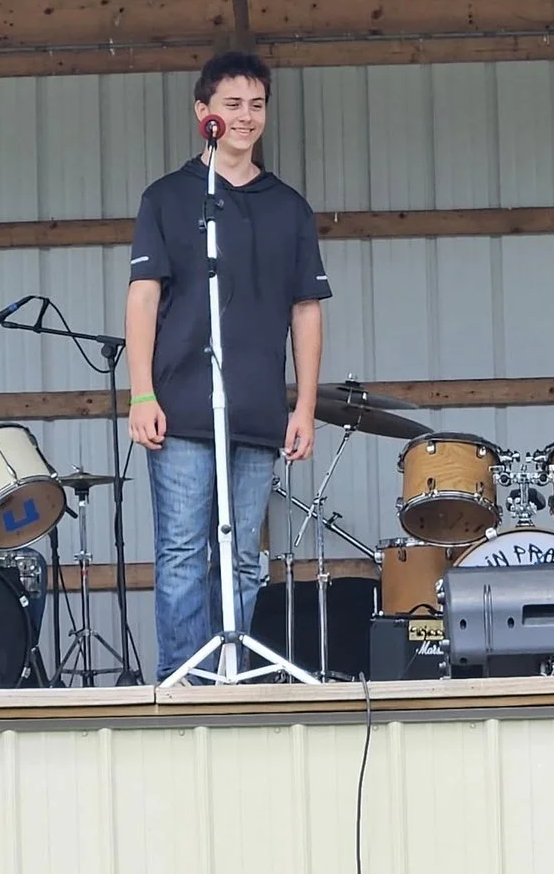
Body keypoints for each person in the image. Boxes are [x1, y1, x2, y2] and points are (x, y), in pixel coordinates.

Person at [127, 50, 331, 681]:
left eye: (256, 105)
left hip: (256, 407)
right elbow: (144, 295)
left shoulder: (288, 206)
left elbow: (307, 308)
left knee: (243, 556)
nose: (246, 117)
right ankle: (183, 682)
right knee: (184, 552)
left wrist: (304, 405)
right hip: (181, 404)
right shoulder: (166, 197)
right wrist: (141, 395)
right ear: (204, 112)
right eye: (233, 104)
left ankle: (231, 676)